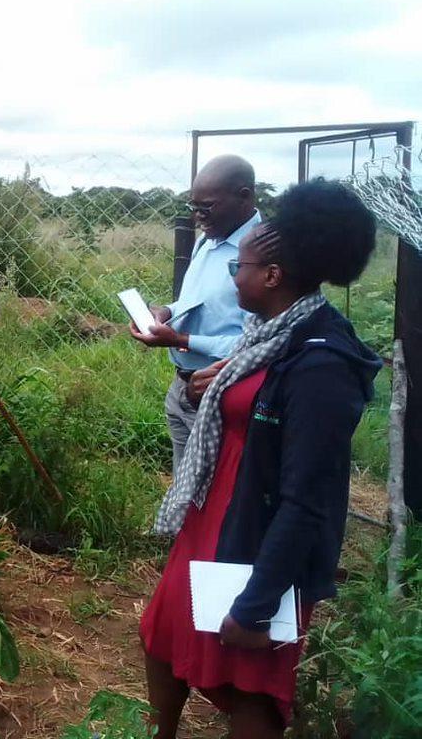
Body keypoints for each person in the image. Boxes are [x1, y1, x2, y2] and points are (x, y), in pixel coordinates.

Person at [139, 179, 382, 738]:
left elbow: (308, 498)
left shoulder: (323, 365)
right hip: (215, 512)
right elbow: (256, 393)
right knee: (162, 635)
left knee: (250, 682)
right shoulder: (267, 334)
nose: (233, 277)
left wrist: (257, 604)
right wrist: (219, 388)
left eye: (237, 269)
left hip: (263, 531)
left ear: (271, 278)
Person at [131, 155, 262, 479]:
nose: (198, 216)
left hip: (222, 390)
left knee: (219, 489)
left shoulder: (264, 253)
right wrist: (166, 312)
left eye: (207, 207)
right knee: (184, 482)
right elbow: (197, 301)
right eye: (194, 206)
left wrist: (181, 340)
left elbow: (259, 342)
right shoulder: (209, 240)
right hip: (183, 385)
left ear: (244, 196)